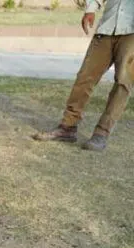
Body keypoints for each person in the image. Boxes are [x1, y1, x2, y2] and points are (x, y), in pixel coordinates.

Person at [34, 0, 133, 151]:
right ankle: (68, 126)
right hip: (108, 26)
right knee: (85, 77)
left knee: (123, 82)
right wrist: (91, 9)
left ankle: (101, 133)